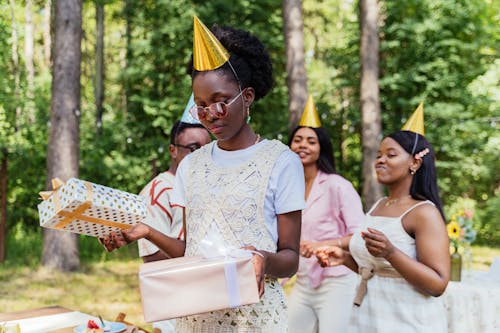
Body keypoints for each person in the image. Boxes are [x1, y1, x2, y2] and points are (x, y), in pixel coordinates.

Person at [102, 16, 305, 332]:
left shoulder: (281, 162)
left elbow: (290, 259)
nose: (211, 114)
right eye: (201, 105)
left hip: (255, 319)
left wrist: (263, 260)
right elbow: (191, 252)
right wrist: (147, 231)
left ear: (247, 97)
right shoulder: (191, 166)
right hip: (195, 318)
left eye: (221, 102)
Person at [316, 113, 450, 333]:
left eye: (391, 154)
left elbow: (437, 284)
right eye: (378, 155)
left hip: (408, 322)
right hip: (369, 318)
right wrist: (345, 259)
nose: (380, 160)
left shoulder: (424, 212)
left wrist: (391, 253)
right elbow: (379, 271)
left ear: (415, 162)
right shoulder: (379, 205)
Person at [286, 95, 364, 333]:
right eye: (297, 140)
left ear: (321, 148)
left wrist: (321, 244)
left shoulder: (337, 185)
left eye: (311, 141)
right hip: (303, 280)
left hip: (337, 280)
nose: (303, 145)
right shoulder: (288, 188)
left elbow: (360, 235)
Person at [137, 111, 210, 333]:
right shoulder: (158, 190)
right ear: (173, 150)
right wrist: (199, 258)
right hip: (174, 303)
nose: (201, 155)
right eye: (193, 148)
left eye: (207, 148)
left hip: (208, 299)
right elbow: (151, 255)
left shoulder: (205, 188)